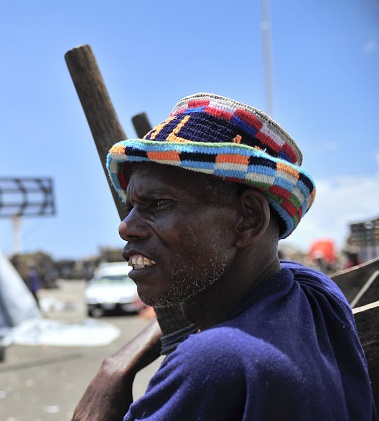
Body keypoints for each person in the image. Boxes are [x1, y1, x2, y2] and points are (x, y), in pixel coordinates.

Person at [72, 93, 375, 420]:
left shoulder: (215, 361)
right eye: (131, 208)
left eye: (158, 203)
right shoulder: (315, 292)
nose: (125, 227)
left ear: (248, 218)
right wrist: (117, 365)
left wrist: (107, 382)